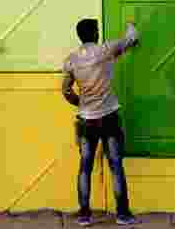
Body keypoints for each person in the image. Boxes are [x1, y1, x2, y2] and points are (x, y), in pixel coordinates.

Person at [62, 18, 140, 226]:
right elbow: (131, 39)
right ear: (95, 34)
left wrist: (81, 103)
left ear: (80, 36)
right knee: (115, 165)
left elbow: (66, 90)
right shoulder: (106, 50)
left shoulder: (71, 60)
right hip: (109, 118)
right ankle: (122, 214)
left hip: (86, 120)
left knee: (85, 167)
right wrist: (131, 23)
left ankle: (84, 215)